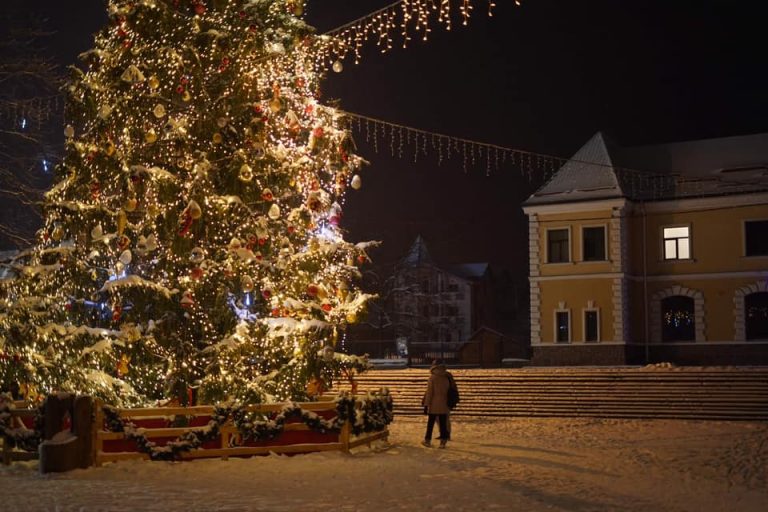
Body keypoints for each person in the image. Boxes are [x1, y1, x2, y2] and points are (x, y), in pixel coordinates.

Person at [421, 359, 451, 448]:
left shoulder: (432, 378)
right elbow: (448, 390)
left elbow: (429, 393)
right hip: (444, 403)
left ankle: (427, 440)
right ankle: (443, 442)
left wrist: (426, 404)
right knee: (443, 424)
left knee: (430, 424)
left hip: (433, 404)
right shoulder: (446, 377)